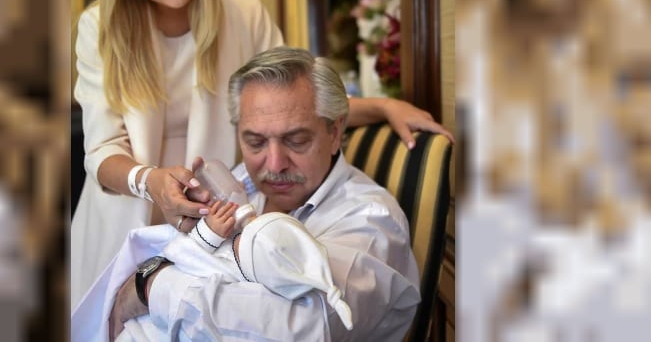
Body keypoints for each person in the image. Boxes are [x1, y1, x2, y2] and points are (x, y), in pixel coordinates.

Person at [71, 0, 452, 308]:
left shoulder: (242, 10)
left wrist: (384, 107)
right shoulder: (99, 27)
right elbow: (100, 152)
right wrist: (150, 181)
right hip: (125, 214)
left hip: (213, 221)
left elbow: (296, 101)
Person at [72, 47, 421, 342]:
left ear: (334, 132)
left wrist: (150, 287)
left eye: (296, 140)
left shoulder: (370, 221)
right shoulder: (241, 183)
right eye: (254, 142)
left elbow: (303, 328)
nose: (274, 163)